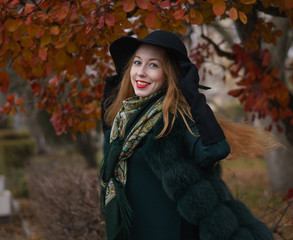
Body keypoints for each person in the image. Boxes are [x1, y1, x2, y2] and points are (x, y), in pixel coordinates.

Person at [100, 30, 275, 240]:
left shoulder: (176, 121)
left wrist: (193, 96)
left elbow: (216, 150)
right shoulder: (124, 119)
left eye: (153, 65)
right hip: (133, 230)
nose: (141, 72)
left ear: (169, 74)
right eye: (137, 63)